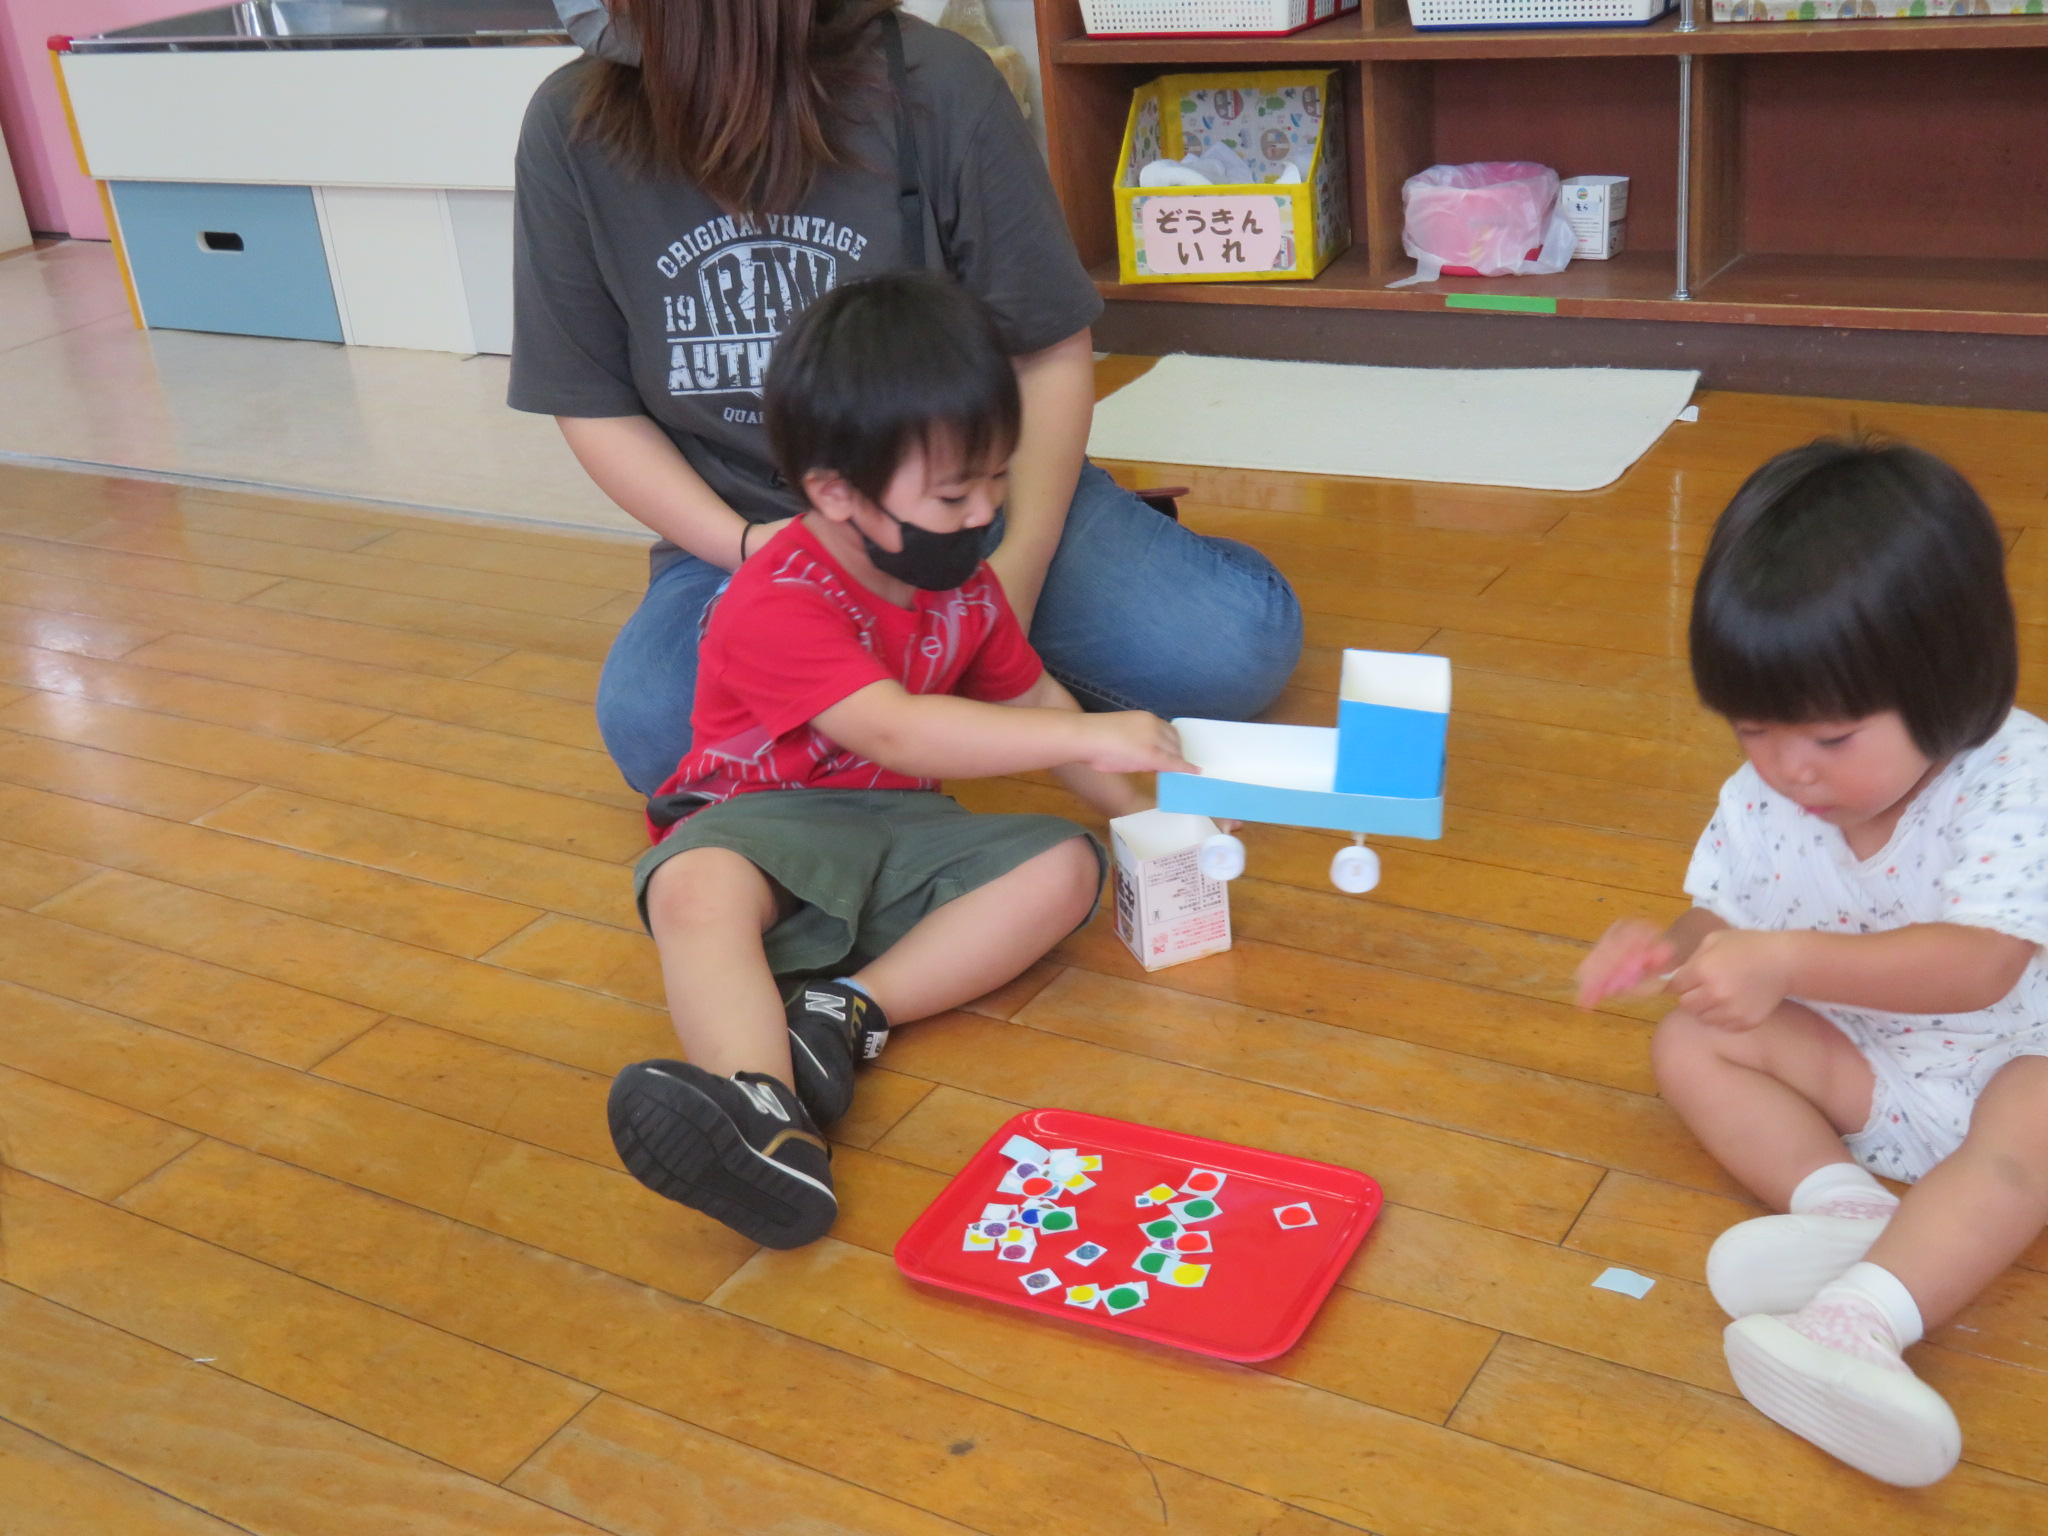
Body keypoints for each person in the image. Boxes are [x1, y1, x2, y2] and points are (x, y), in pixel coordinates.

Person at [514, 0, 1301, 796]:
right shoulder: (568, 122)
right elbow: (593, 403)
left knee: (1230, 652)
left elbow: (1047, 351)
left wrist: (1016, 578)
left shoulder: (936, 80)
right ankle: (935, 676)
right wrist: (748, 546)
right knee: (656, 730)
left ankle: (954, 660)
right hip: (749, 535)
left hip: (969, 508)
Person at [607, 271, 1191, 1250]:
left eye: (995, 480)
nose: (982, 513)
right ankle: (765, 1118)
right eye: (954, 493)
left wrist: (1145, 814)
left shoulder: (962, 588)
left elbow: (1030, 699)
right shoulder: (777, 597)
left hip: (898, 832)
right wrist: (1091, 732)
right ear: (835, 490)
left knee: (1063, 863)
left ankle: (844, 1015)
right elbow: (894, 731)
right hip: (758, 825)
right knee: (693, 891)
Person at [1577, 438, 2048, 1488]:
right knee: (1690, 1042)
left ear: (1952, 685)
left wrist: (1784, 959)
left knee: (2039, 1113)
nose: (1789, 768)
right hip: (1869, 1066)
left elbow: (1980, 967)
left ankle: (1859, 1320)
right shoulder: (1765, 797)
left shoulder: (2015, 779)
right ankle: (1848, 1212)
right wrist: (1669, 948)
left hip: (2012, 1059)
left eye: (1831, 739)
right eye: (1753, 729)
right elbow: (1724, 916)